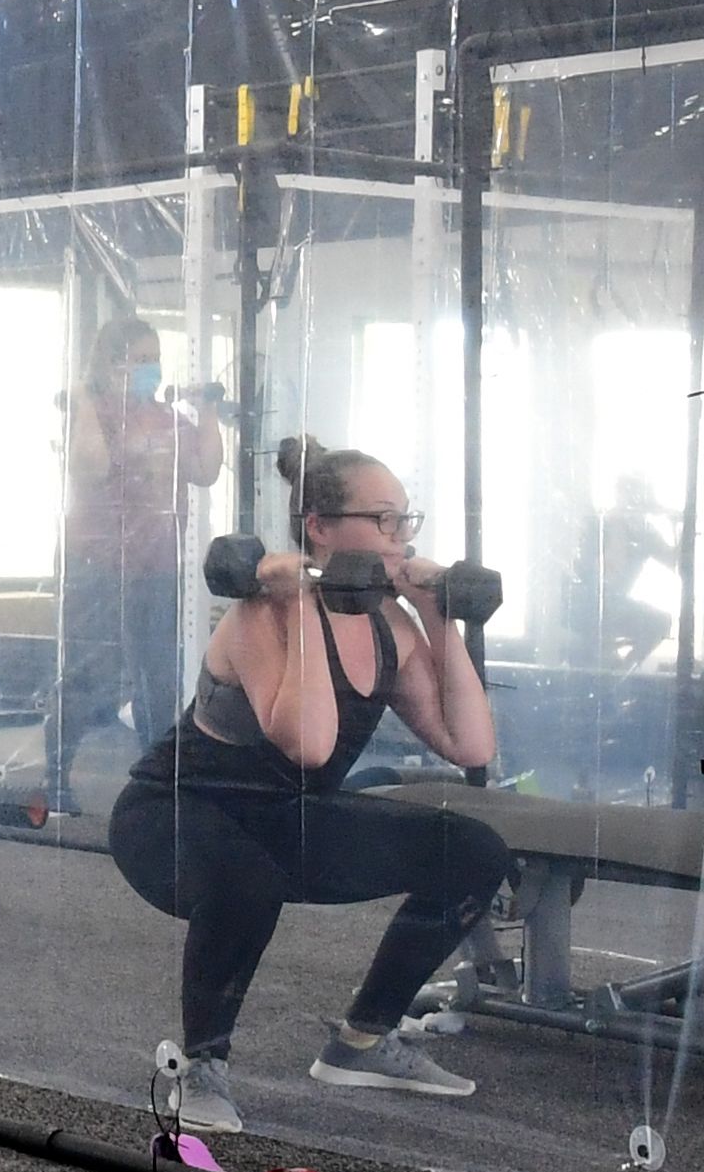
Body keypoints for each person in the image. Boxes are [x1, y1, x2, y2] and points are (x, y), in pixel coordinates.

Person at [108, 438, 507, 1129]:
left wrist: (439, 612)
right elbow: (311, 743)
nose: (400, 538)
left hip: (287, 816)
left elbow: (469, 744)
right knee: (247, 881)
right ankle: (201, 1068)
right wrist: (300, 605)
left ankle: (363, 1040)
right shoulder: (261, 614)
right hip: (174, 814)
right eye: (383, 519)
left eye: (404, 521)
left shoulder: (395, 624)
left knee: (473, 851)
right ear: (320, 526)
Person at [61, 315, 226, 759]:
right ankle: (56, 773)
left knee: (158, 677)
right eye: (141, 360)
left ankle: (155, 772)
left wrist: (208, 409)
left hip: (157, 566)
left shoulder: (167, 418)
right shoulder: (94, 414)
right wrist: (83, 401)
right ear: (114, 365)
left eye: (156, 359)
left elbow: (205, 470)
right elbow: (91, 467)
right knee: (91, 673)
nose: (153, 368)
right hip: (96, 565)